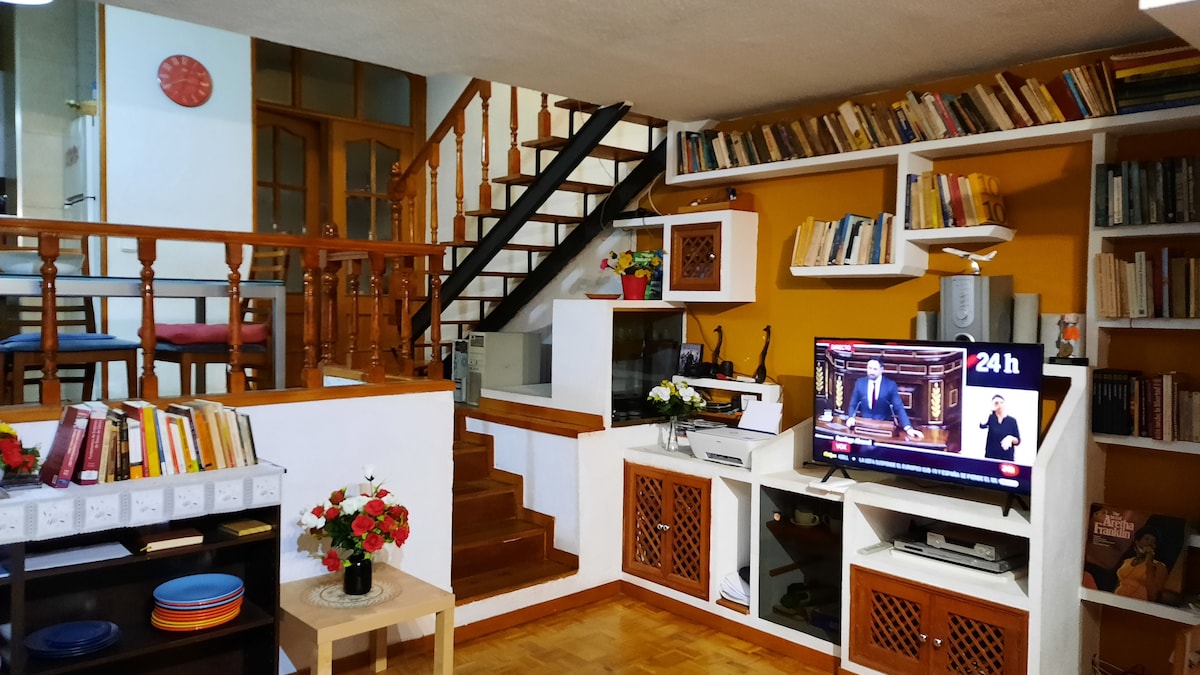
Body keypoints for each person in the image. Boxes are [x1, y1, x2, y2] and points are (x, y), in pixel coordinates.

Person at [845, 359, 924, 439]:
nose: (871, 372)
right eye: (869, 368)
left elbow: (899, 407)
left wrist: (908, 428)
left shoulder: (890, 385)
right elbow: (853, 404)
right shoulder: (860, 383)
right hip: (863, 427)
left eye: (875, 369)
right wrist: (851, 417)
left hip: (883, 429)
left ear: (881, 370)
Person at [1114, 527, 1170, 602]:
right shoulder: (1126, 561)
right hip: (1117, 600)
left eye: (1153, 542)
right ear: (1137, 542)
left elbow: (1154, 596)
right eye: (1146, 539)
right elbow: (1119, 584)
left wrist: (1149, 562)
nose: (1149, 543)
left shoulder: (1159, 566)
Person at [980, 394, 1020, 461]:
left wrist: (1010, 438)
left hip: (1007, 458)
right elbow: (982, 425)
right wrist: (989, 410)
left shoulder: (1012, 420)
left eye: (1001, 402)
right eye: (996, 403)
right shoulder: (991, 418)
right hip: (991, 457)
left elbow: (1018, 441)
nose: (999, 405)